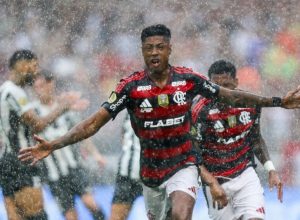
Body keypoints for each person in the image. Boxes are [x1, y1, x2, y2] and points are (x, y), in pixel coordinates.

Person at [18, 24, 300, 220]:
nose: (154, 52)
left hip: (183, 164)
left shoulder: (188, 80)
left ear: (169, 49)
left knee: (181, 213)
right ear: (142, 51)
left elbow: (230, 96)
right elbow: (93, 123)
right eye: (149, 47)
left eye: (160, 47)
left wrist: (278, 101)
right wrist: (54, 144)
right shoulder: (130, 88)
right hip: (151, 173)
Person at [191, 60, 283, 220]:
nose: (223, 92)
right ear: (209, 86)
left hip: (245, 175)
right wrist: (212, 183)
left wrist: (271, 169)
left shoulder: (250, 104)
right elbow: (193, 156)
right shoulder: (200, 111)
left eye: (227, 85)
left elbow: (255, 139)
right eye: (217, 87)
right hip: (216, 180)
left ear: (236, 82)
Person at [0, 50, 83, 220]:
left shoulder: (3, 90)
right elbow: (37, 125)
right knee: (37, 216)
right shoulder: (15, 92)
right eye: (34, 66)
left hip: (8, 160)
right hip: (21, 161)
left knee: (16, 216)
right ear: (22, 65)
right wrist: (63, 106)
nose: (36, 71)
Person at [32, 70, 106, 220]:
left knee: (91, 204)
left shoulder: (66, 107)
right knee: (70, 216)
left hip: (74, 168)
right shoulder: (33, 112)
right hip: (54, 177)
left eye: (41, 85)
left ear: (50, 84)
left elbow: (81, 134)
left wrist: (95, 154)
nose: (38, 90)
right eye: (35, 87)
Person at [109, 113, 143, 220]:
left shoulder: (160, 103)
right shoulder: (130, 107)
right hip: (127, 172)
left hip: (152, 172)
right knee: (116, 216)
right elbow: (123, 135)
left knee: (162, 214)